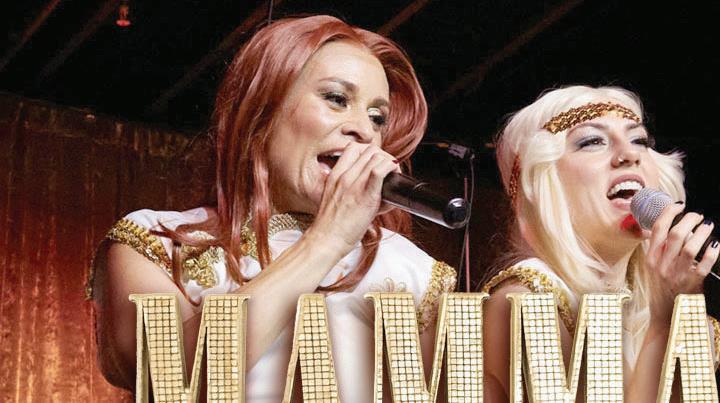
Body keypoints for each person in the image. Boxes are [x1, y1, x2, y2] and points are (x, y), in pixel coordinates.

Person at [86, 15, 456, 402]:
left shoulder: (413, 273)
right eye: (336, 99)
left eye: (377, 118)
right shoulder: (154, 243)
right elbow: (170, 379)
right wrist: (328, 239)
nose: (364, 130)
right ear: (262, 111)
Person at [482, 85, 720, 401]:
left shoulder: (654, 308)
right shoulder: (523, 302)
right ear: (542, 182)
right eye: (592, 141)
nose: (630, 155)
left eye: (639, 140)